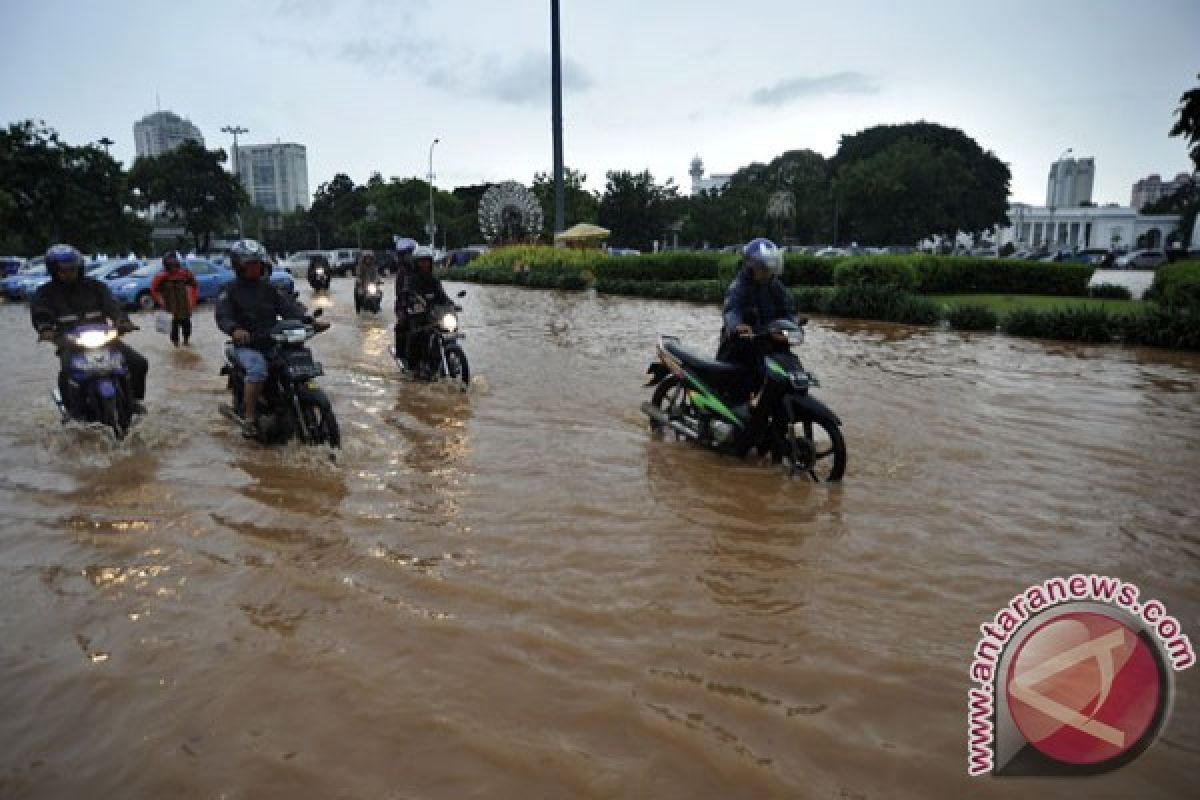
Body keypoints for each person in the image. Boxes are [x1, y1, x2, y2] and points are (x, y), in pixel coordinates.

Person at [216, 239, 328, 437]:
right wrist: (235, 330)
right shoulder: (229, 290)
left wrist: (309, 321)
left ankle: (287, 403)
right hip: (247, 346)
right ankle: (249, 419)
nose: (256, 266)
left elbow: (289, 308)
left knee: (291, 365)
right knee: (258, 368)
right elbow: (223, 316)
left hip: (272, 342)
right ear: (239, 266)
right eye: (251, 263)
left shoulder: (269, 289)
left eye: (258, 262)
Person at [29, 244, 148, 414]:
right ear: (54, 271)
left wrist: (122, 321)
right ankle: (73, 413)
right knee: (67, 373)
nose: (69, 273)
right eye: (63, 270)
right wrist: (46, 329)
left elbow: (113, 306)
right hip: (70, 343)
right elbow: (41, 313)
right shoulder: (45, 293)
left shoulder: (96, 287)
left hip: (106, 339)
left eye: (72, 269)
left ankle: (134, 400)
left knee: (138, 363)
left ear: (79, 268)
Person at [717, 238, 797, 392]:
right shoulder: (739, 287)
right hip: (741, 345)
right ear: (750, 265)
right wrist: (738, 327)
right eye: (762, 266)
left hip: (769, 343)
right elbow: (731, 310)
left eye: (769, 266)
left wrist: (791, 326)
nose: (767, 270)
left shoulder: (775, 286)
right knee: (740, 384)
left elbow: (788, 310)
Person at [395, 245, 453, 374]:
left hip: (433, 314)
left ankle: (446, 359)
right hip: (415, 312)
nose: (424, 264)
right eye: (421, 261)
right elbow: (407, 294)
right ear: (416, 263)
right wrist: (414, 301)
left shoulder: (434, 279)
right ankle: (414, 365)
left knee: (449, 330)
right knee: (417, 333)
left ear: (431, 263)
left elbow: (441, 295)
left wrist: (451, 304)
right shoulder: (411, 279)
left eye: (427, 261)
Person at [150, 250, 198, 346]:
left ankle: (186, 343)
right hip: (170, 309)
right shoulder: (161, 277)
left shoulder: (185, 274)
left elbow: (194, 285)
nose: (173, 268)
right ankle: (176, 346)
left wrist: (192, 302)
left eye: (175, 265)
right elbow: (154, 291)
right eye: (171, 265)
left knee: (187, 329)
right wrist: (161, 301)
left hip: (184, 308)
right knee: (174, 332)